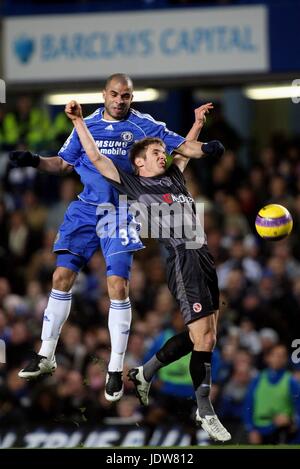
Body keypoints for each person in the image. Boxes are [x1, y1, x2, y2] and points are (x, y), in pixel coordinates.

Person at [10, 74, 213, 402]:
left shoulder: (144, 126)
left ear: (132, 98)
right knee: (60, 276)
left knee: (117, 286)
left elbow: (180, 151)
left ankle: (115, 369)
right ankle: (46, 354)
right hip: (85, 210)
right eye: (115, 95)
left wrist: (204, 145)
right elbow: (62, 163)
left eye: (127, 96)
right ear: (104, 95)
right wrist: (34, 160)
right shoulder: (88, 125)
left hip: (120, 211)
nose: (121, 101)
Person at [64, 99, 231, 442]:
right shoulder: (133, 183)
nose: (163, 154)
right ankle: (205, 408)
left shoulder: (173, 176)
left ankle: (145, 373)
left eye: (162, 151)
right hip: (182, 260)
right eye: (157, 151)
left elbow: (183, 152)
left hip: (203, 255)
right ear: (139, 162)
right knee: (206, 339)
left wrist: (198, 123)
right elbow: (96, 157)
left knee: (206, 334)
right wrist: (79, 122)